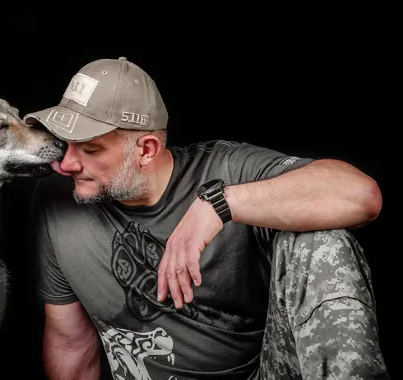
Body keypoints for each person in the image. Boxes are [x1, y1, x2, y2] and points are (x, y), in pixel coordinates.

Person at [22, 56, 389, 379]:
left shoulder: (228, 168)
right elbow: (71, 345)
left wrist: (219, 205)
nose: (67, 164)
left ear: (146, 150)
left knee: (319, 238)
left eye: (89, 149)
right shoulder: (58, 200)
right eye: (65, 143)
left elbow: (360, 195)